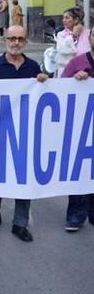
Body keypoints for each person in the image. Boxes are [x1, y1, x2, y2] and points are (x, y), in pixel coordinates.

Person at [0, 25, 48, 242]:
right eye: (12, 38)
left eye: (20, 39)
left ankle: (20, 223)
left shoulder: (33, 67)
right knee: (0, 174)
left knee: (24, 178)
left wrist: (45, 81)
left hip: (25, 133)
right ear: (4, 40)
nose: (15, 43)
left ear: (25, 42)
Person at [61, 28, 94, 232]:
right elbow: (60, 88)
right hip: (81, 126)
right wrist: (75, 80)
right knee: (81, 170)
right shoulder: (78, 62)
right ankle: (76, 215)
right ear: (89, 38)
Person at [55, 7, 91, 77]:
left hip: (85, 73)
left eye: (67, 18)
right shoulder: (61, 34)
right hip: (67, 71)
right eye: (63, 18)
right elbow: (62, 50)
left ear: (76, 20)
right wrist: (73, 36)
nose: (64, 20)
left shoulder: (88, 34)